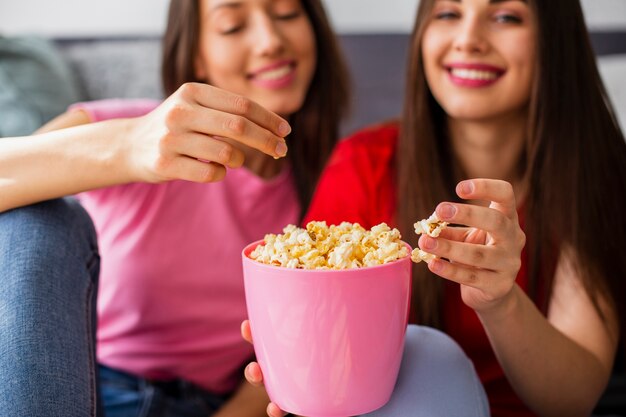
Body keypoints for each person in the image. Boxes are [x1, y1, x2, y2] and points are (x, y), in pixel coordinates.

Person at [243, 0, 626, 416]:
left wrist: (500, 302)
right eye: (447, 14)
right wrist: (305, 369)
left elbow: (573, 399)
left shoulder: (594, 177)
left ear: (557, 42)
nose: (468, 40)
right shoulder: (364, 163)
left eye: (505, 17)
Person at [0, 0, 350, 416]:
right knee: (40, 220)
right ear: (196, 57)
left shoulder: (336, 180)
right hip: (90, 387)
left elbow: (295, 348)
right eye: (233, 25)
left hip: (219, 404)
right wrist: (127, 146)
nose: (270, 41)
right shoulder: (142, 130)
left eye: (288, 14)